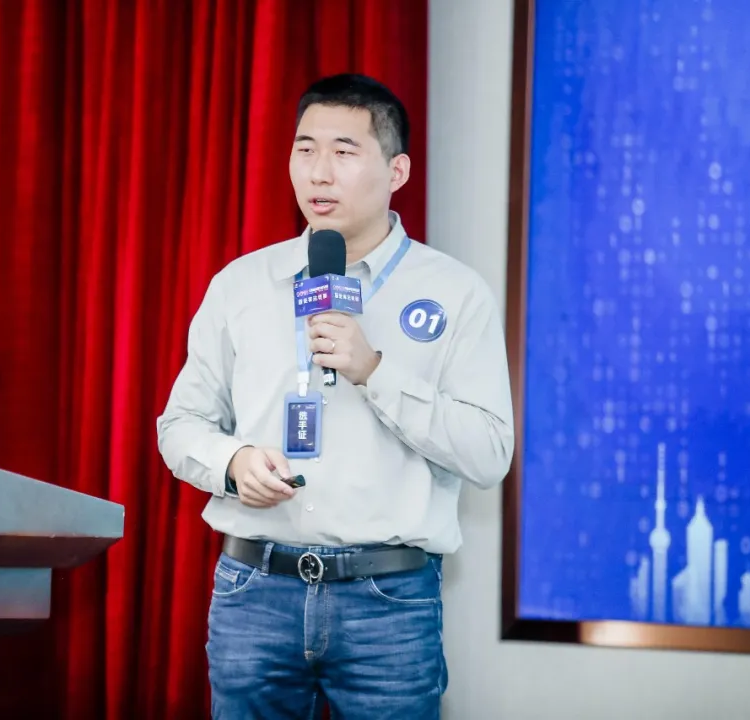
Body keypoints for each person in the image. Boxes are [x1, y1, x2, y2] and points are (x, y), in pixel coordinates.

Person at [156, 73, 514, 720]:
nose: (319, 172)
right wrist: (233, 463)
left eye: (344, 152)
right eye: (305, 149)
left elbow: (490, 453)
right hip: (253, 590)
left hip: (388, 600)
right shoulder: (242, 284)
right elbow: (180, 424)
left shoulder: (455, 293)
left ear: (397, 171)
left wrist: (374, 371)